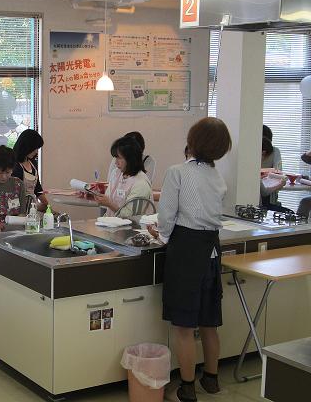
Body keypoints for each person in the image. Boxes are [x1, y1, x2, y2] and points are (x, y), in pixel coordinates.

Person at [148, 117, 232, 402]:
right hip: (211, 251)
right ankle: (211, 380)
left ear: (193, 141)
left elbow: (167, 214)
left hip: (186, 250)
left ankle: (186, 387)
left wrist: (161, 236)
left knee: (184, 326)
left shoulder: (178, 172)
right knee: (209, 322)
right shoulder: (217, 176)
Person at [96, 136, 151, 218]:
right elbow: (108, 196)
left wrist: (109, 204)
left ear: (131, 159)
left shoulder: (141, 183)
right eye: (116, 158)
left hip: (131, 229)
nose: (116, 162)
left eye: (119, 158)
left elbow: (131, 217)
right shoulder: (117, 173)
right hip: (112, 225)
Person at [12, 129, 48, 212]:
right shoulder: (14, 166)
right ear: (27, 147)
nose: (36, 151)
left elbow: (37, 188)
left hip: (30, 205)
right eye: (35, 148)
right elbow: (12, 195)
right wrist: (34, 206)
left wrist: (47, 206)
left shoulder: (32, 162)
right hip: (16, 207)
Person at [260, 137, 288, 212]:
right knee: (289, 213)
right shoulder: (254, 169)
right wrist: (280, 184)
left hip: (260, 203)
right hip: (261, 206)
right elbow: (264, 192)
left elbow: (278, 170)